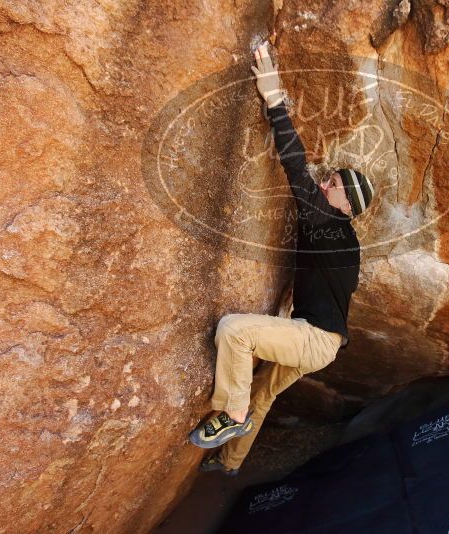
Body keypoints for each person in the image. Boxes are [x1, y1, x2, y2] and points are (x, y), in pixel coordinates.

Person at [188, 42, 375, 475]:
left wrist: (273, 96)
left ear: (345, 204)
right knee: (262, 395)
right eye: (327, 180)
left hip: (312, 340)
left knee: (234, 332)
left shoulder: (328, 223)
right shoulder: (346, 240)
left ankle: (230, 419)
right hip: (321, 341)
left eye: (332, 184)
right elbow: (330, 287)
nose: (323, 183)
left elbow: (294, 165)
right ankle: (231, 464)